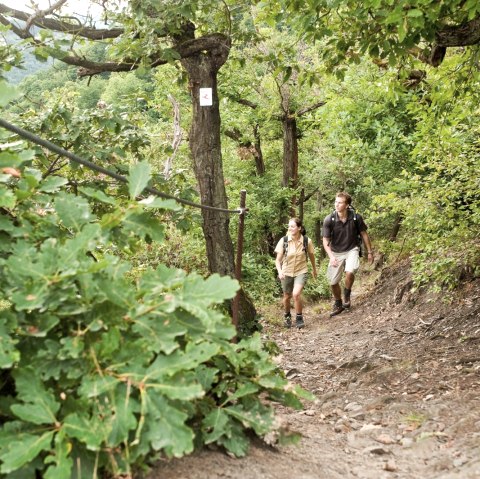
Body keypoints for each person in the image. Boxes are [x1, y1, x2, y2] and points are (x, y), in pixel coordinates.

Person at [322, 192, 374, 316]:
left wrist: (370, 252)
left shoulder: (356, 217)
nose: (336, 204)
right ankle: (338, 302)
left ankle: (346, 296)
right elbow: (325, 241)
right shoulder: (329, 219)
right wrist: (331, 256)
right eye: (336, 202)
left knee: (350, 272)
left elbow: (364, 234)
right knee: (332, 282)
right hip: (335, 252)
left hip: (352, 249)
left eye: (340, 202)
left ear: (347, 205)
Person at [275, 217, 317, 329]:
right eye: (289, 226)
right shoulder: (283, 241)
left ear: (299, 228)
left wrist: (314, 269)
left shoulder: (307, 241)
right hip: (286, 271)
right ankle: (287, 316)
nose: (290, 228)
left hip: (301, 271)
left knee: (296, 294)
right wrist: (279, 272)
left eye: (292, 226)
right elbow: (278, 260)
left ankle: (299, 317)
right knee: (287, 296)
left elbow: (312, 256)